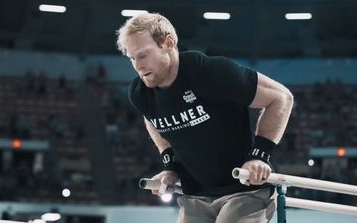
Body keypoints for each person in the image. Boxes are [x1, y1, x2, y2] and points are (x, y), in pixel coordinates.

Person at [116, 13, 293, 223]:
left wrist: (259, 155)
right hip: (195, 194)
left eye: (143, 55)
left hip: (246, 189)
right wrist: (170, 165)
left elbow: (281, 97)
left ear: (168, 43)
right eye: (132, 57)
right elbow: (152, 119)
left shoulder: (209, 71)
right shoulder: (140, 92)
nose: (137, 66)